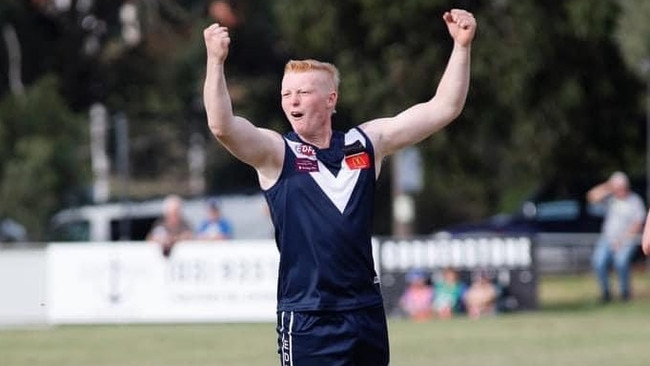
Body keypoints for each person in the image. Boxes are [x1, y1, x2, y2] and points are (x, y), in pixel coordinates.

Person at [202, 8, 476, 365]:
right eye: (286, 94)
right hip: (308, 317)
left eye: (302, 92)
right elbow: (223, 127)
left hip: (365, 311)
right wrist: (215, 62)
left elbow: (444, 107)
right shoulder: (276, 152)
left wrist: (462, 47)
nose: (292, 101)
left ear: (331, 99)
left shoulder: (366, 143)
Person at [587, 171, 645, 302]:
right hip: (608, 239)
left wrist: (622, 240)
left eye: (622, 187)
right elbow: (592, 196)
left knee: (621, 262)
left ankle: (625, 294)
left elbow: (637, 223)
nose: (620, 190)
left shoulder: (634, 201)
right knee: (598, 261)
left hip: (627, 240)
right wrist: (608, 186)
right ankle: (606, 293)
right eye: (617, 187)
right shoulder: (610, 199)